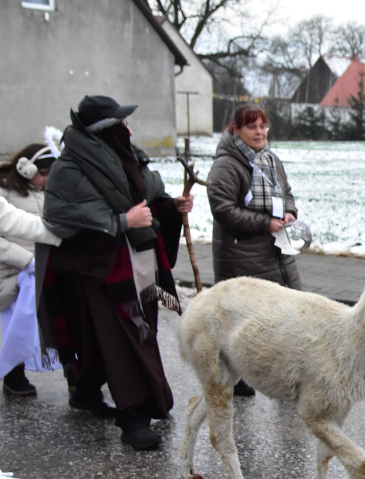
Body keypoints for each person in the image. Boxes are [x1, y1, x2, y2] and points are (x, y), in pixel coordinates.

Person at [37, 95, 194, 451]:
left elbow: (144, 196)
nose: (129, 129)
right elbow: (62, 217)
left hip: (136, 265)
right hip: (97, 273)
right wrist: (123, 221)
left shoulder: (127, 158)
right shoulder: (70, 168)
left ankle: (86, 390)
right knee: (119, 342)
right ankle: (132, 418)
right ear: (106, 132)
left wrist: (170, 206)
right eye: (122, 124)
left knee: (121, 337)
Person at [206, 103, 301, 396]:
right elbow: (223, 209)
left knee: (283, 315)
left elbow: (286, 193)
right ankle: (236, 374)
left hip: (276, 250)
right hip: (241, 254)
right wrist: (265, 223)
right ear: (236, 130)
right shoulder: (227, 165)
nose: (260, 132)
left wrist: (289, 213)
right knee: (243, 320)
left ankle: (285, 372)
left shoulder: (271, 159)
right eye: (251, 126)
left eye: (263, 125)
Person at [0, 134, 59, 396]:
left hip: (40, 269)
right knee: (16, 326)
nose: (46, 179)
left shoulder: (49, 193)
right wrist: (26, 260)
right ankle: (14, 375)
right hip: (12, 271)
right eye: (43, 173)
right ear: (27, 168)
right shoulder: (4, 191)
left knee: (44, 323)